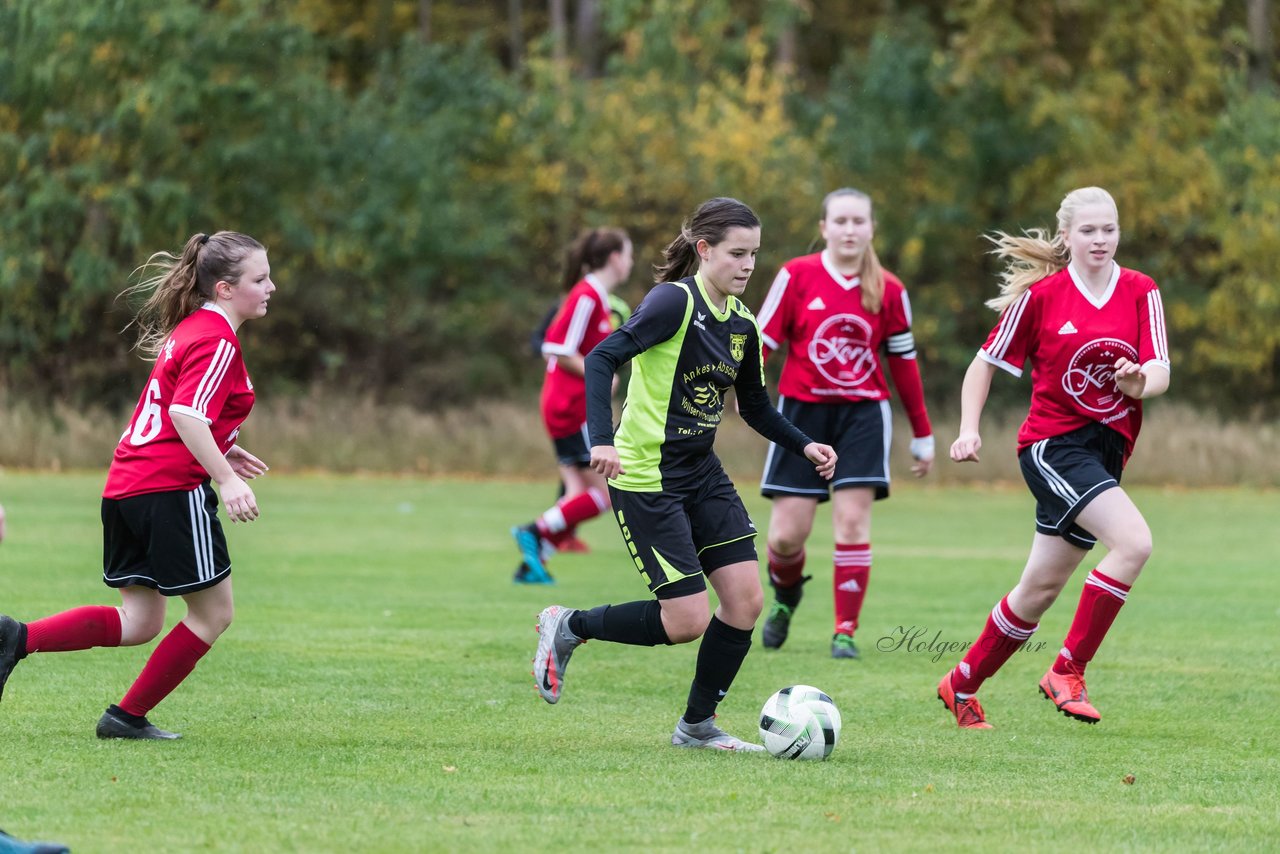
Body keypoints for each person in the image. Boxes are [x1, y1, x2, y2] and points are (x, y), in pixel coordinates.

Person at [531, 197, 838, 750]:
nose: (748, 265)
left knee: (745, 600)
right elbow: (602, 357)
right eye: (737, 253)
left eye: (754, 255)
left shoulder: (742, 324)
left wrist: (805, 444)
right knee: (686, 619)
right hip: (647, 474)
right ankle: (569, 625)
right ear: (704, 250)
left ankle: (697, 727)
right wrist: (601, 439)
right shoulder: (673, 302)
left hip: (702, 471)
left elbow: (756, 407)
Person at [0, 231, 275, 740]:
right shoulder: (217, 338)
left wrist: (222, 444)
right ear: (224, 289)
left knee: (140, 621)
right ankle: (125, 718)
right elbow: (185, 413)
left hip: (127, 486)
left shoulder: (192, 329)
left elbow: (181, 415)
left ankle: (15, 638)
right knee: (214, 614)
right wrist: (226, 477)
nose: (271, 287)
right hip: (168, 492)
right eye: (260, 279)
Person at [937, 187, 1170, 729]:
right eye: (1088, 230)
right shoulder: (1042, 297)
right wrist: (968, 429)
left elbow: (1160, 368)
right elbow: (983, 363)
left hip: (1107, 450)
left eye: (1109, 229)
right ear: (1066, 236)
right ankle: (1067, 670)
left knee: (1038, 590)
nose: (1100, 239)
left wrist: (1140, 383)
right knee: (1134, 543)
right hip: (1052, 447)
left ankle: (962, 683)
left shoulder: (1141, 289)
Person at [755, 188, 935, 660]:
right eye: (841, 221)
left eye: (859, 221)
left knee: (852, 522)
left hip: (862, 415)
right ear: (824, 228)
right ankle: (786, 596)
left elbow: (904, 365)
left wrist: (923, 433)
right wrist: (743, 393)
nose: (850, 229)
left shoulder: (889, 289)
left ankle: (845, 631)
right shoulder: (796, 276)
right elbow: (759, 342)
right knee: (785, 536)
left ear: (871, 228)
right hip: (801, 414)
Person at [512, 228, 635, 583]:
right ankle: (533, 532)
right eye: (628, 255)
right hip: (571, 406)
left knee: (578, 493)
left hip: (563, 404)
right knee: (602, 496)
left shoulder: (595, 296)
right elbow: (556, 347)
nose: (630, 262)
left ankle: (532, 564)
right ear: (614, 258)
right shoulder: (588, 296)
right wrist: (599, 375)